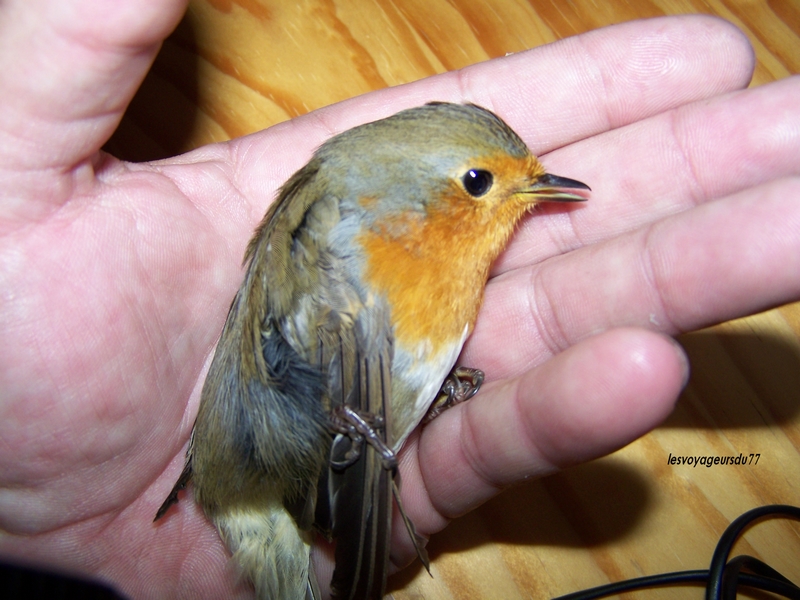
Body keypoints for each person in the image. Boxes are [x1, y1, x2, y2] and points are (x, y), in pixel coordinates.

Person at [0, 1, 797, 598]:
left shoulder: (403, 248)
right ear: (411, 202)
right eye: (479, 183)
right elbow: (328, 411)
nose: (516, 193)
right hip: (263, 484)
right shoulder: (373, 251)